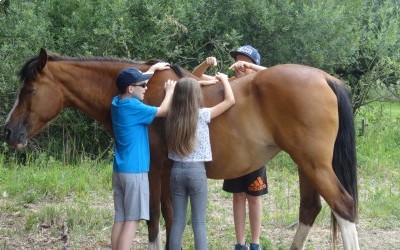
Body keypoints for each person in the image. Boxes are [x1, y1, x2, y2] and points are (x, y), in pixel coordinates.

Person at [192, 45, 268, 250]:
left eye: (246, 61)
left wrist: (252, 67)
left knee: (255, 197)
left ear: (254, 65)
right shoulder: (228, 83)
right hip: (233, 151)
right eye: (238, 61)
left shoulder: (260, 86)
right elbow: (194, 77)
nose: (240, 65)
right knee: (238, 196)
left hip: (255, 151)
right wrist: (206, 64)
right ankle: (240, 243)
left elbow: (272, 73)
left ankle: (255, 243)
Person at [110, 63, 177, 250]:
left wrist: (152, 70)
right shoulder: (134, 106)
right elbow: (163, 111)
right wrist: (170, 91)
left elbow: (132, 83)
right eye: (143, 85)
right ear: (131, 88)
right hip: (136, 172)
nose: (146, 88)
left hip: (120, 171)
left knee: (120, 218)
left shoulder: (117, 102)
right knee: (132, 220)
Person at [166, 73, 235, 250]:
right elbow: (230, 101)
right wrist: (225, 80)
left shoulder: (170, 115)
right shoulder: (203, 114)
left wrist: (171, 90)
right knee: (199, 222)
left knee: (178, 221)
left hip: (176, 172)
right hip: (197, 172)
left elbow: (183, 90)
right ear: (197, 96)